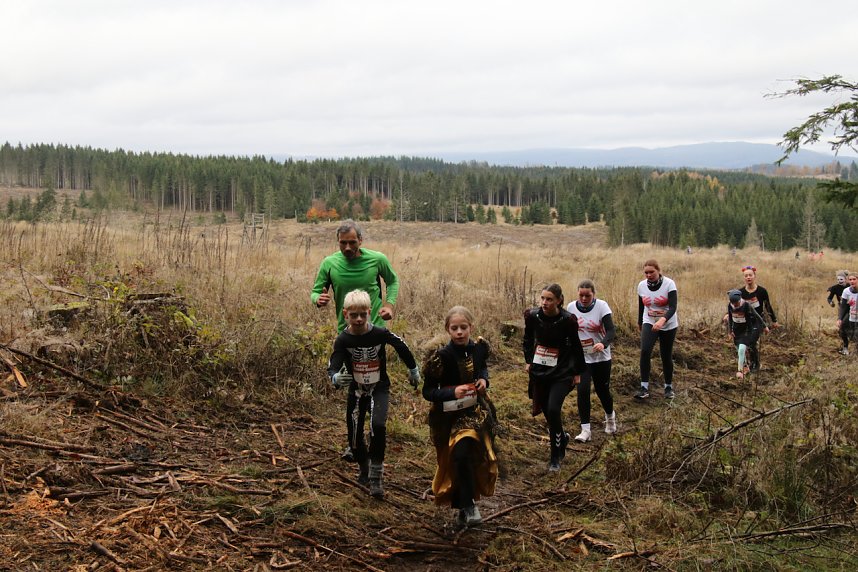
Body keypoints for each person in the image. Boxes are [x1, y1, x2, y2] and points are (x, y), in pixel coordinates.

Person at [327, 290, 420, 498]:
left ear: (370, 312)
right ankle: (364, 467)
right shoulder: (343, 340)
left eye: (363, 314)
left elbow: (401, 345)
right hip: (357, 391)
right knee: (353, 435)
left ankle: (376, 476)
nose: (359, 319)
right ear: (345, 314)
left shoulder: (379, 333)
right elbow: (334, 363)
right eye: (353, 315)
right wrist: (335, 377)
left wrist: (413, 369)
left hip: (379, 387)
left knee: (377, 426)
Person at [423, 306, 498, 526]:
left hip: (474, 413)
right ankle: (462, 505)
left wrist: (484, 381)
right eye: (454, 328)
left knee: (466, 451)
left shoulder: (478, 349)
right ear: (447, 329)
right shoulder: (440, 357)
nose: (459, 332)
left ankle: (469, 505)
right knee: (455, 459)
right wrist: (450, 392)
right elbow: (428, 392)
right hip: (446, 417)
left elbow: (482, 369)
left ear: (470, 328)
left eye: (463, 328)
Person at [523, 284, 586, 470]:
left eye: (549, 299)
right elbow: (527, 339)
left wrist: (577, 372)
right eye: (542, 298)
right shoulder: (532, 316)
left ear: (559, 300)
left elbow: (576, 346)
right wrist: (528, 360)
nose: (544, 303)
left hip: (562, 371)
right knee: (544, 407)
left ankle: (555, 458)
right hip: (540, 369)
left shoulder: (568, 320)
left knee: (552, 409)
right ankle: (562, 437)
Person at [310, 219, 399, 333]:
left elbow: (392, 281)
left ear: (360, 240)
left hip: (375, 327)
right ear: (338, 241)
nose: (347, 247)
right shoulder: (329, 263)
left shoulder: (377, 259)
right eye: (343, 243)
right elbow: (315, 292)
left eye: (352, 242)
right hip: (346, 330)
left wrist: (389, 306)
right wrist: (318, 299)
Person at [567, 280, 617, 442]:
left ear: (593, 294)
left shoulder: (602, 306)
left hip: (601, 357)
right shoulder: (571, 308)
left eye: (587, 295)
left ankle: (610, 418)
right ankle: (585, 430)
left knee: (603, 391)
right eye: (581, 295)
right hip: (582, 358)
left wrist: (603, 343)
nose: (583, 298)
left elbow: (611, 330)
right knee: (582, 391)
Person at [635, 259, 679, 400]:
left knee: (665, 354)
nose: (648, 275)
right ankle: (644, 387)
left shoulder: (669, 284)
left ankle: (668, 387)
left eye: (651, 272)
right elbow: (641, 306)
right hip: (649, 320)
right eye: (646, 272)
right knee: (645, 350)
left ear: (658, 271)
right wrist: (640, 322)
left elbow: (673, 307)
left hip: (668, 323)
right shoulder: (641, 286)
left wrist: (662, 320)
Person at [737, 265, 779, 372]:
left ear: (754, 276)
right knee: (744, 343)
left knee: (751, 342)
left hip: (758, 321)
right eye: (746, 276)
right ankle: (748, 365)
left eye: (750, 275)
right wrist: (727, 315)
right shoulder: (740, 293)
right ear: (744, 278)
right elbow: (735, 306)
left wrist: (774, 320)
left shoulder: (762, 291)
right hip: (745, 321)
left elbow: (768, 306)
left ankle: (755, 365)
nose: (748, 277)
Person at [726, 289, 769, 379]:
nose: (735, 305)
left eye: (736, 303)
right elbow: (730, 318)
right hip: (737, 331)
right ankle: (745, 366)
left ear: (739, 299)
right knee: (739, 351)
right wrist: (730, 331)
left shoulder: (746, 305)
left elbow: (757, 315)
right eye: (733, 303)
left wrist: (765, 326)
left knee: (742, 349)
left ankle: (739, 371)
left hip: (746, 330)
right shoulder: (730, 306)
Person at [837, 272, 858, 356]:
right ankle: (845, 348)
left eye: (854, 279)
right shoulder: (846, 291)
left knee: (856, 335)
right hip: (851, 314)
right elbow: (843, 306)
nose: (852, 281)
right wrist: (840, 318)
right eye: (850, 279)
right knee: (842, 329)